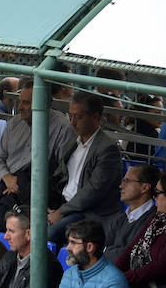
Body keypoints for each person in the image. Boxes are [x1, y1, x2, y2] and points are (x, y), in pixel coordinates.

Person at [0, 78, 74, 230]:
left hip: (35, 190)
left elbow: (60, 172)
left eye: (26, 103)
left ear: (43, 104)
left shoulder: (63, 128)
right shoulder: (14, 123)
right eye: (20, 101)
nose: (20, 107)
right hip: (5, 183)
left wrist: (21, 184)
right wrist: (7, 177)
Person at [47, 91, 122, 245]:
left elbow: (93, 191)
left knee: (46, 235)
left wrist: (60, 212)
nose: (72, 122)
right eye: (70, 116)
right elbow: (59, 176)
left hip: (89, 212)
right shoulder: (72, 142)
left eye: (78, 117)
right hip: (64, 204)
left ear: (95, 117)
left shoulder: (108, 149)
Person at [115, 171, 166, 288]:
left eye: (157, 193)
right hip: (138, 286)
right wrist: (112, 275)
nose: (154, 197)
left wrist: (121, 279)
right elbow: (130, 250)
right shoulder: (156, 219)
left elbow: (160, 267)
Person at [103, 164, 159, 260]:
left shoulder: (154, 220)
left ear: (144, 187)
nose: (121, 186)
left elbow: (130, 256)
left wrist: (106, 252)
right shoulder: (120, 220)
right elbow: (100, 250)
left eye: (127, 181)